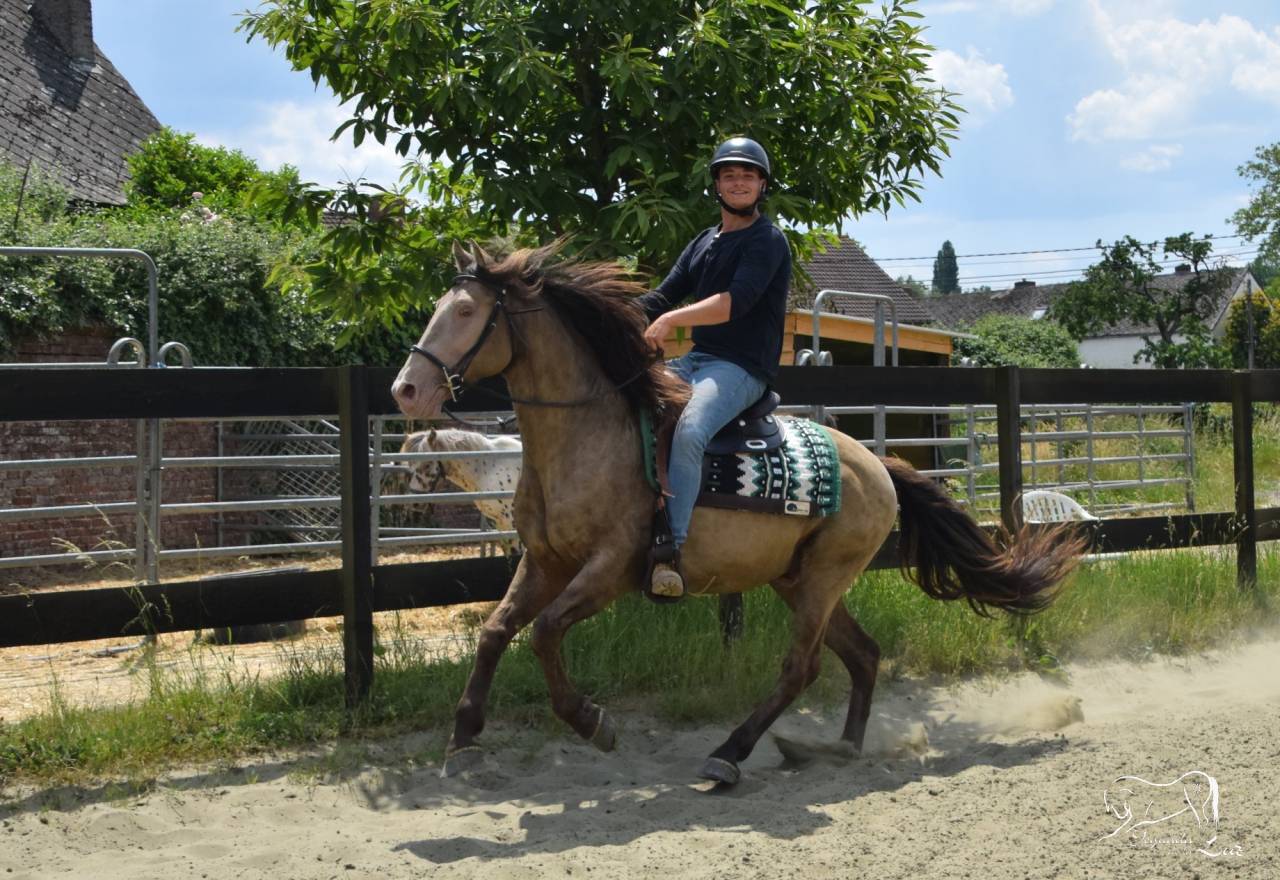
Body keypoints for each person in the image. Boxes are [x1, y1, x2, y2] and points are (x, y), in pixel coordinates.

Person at [637, 137, 792, 598]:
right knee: (628, 405)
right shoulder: (705, 241)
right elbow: (662, 296)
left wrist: (671, 320)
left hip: (742, 369)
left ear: (762, 185)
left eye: (748, 175)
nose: (738, 181)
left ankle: (672, 554)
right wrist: (610, 318)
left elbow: (735, 303)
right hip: (698, 361)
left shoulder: (767, 241)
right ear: (717, 185)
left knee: (689, 431)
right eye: (729, 174)